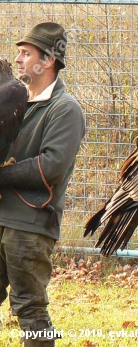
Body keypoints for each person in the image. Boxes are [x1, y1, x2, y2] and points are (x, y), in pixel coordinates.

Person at [0, 22, 85, 347]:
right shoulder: (14, 101)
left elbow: (51, 167)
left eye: (26, 53)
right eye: (19, 53)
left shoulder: (65, 110)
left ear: (47, 61)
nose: (18, 60)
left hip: (30, 224)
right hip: (1, 216)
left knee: (30, 311)